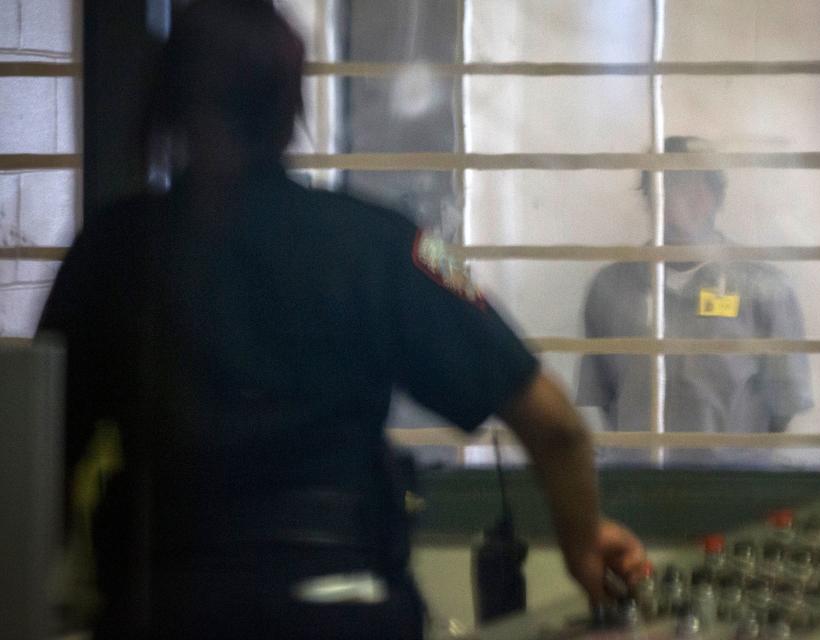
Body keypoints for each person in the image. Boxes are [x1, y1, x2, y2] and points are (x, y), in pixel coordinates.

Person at [38, 1, 645, 638]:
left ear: (167, 97)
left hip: (164, 612)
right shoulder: (378, 244)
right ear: (288, 106)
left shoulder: (110, 252)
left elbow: (34, 464)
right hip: (345, 609)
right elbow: (555, 427)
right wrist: (582, 543)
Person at [577, 136, 813, 467]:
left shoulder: (765, 289)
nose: (680, 205)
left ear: (716, 198)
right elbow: (603, 395)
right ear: (649, 200)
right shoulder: (611, 287)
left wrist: (737, 457)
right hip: (639, 484)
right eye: (667, 188)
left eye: (695, 189)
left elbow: (785, 404)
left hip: (732, 486)